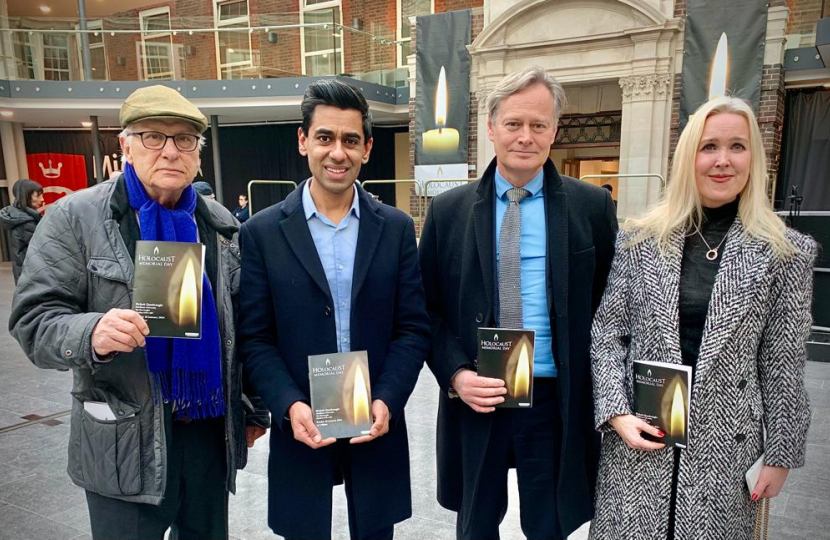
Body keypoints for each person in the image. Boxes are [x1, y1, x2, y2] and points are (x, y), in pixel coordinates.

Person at [9, 85, 269, 540]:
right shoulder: (75, 217)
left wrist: (252, 408)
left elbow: (243, 328)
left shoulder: (219, 224)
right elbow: (33, 320)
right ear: (125, 145)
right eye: (153, 136)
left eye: (184, 139)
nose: (170, 151)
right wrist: (92, 332)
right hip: (124, 439)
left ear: (198, 155)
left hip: (206, 432)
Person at [589, 96, 816, 540]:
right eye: (709, 147)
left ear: (754, 158)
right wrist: (616, 413)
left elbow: (784, 363)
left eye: (737, 147)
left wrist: (781, 454)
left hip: (726, 445)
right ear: (688, 156)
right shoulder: (640, 240)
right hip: (641, 434)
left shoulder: (785, 253)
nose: (722, 161)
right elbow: (607, 334)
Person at [418, 66, 618, 540]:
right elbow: (425, 309)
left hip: (554, 401)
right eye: (513, 124)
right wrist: (455, 374)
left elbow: (613, 305)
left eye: (538, 125)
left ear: (554, 130)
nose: (525, 137)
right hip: (477, 396)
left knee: (548, 527)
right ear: (491, 128)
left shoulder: (592, 206)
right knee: (476, 526)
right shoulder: (448, 211)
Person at [238, 79, 430, 540]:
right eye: (325, 137)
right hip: (303, 421)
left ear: (366, 148)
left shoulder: (397, 229)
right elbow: (256, 337)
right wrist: (287, 405)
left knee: (375, 530)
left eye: (349, 140)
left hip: (375, 419)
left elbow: (412, 328)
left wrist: (388, 398)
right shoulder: (262, 232)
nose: (337, 152)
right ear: (304, 141)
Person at [0, 178, 43, 283]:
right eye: (37, 195)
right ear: (26, 197)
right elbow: (45, 246)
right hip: (32, 274)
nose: (42, 199)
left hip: (24, 271)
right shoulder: (26, 222)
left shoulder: (18, 215)